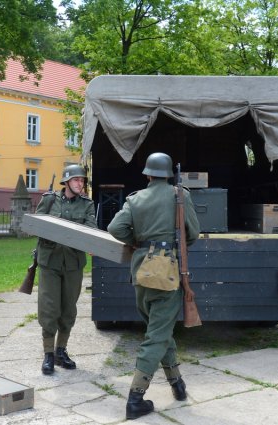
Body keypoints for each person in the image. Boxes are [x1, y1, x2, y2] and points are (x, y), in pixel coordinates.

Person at [107, 152, 200, 420]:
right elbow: (192, 233)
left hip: (142, 272)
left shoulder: (135, 199)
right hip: (169, 273)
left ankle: (177, 385)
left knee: (158, 329)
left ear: (148, 174)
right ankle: (135, 398)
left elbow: (116, 228)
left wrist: (139, 242)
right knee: (157, 335)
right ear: (169, 174)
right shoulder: (180, 195)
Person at [35, 164, 96, 375]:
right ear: (67, 181)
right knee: (49, 308)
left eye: (83, 181)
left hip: (73, 264)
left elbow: (91, 229)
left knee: (68, 309)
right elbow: (37, 226)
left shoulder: (87, 205)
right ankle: (48, 354)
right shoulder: (50, 199)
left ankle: (61, 351)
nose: (81, 183)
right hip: (50, 262)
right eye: (77, 180)